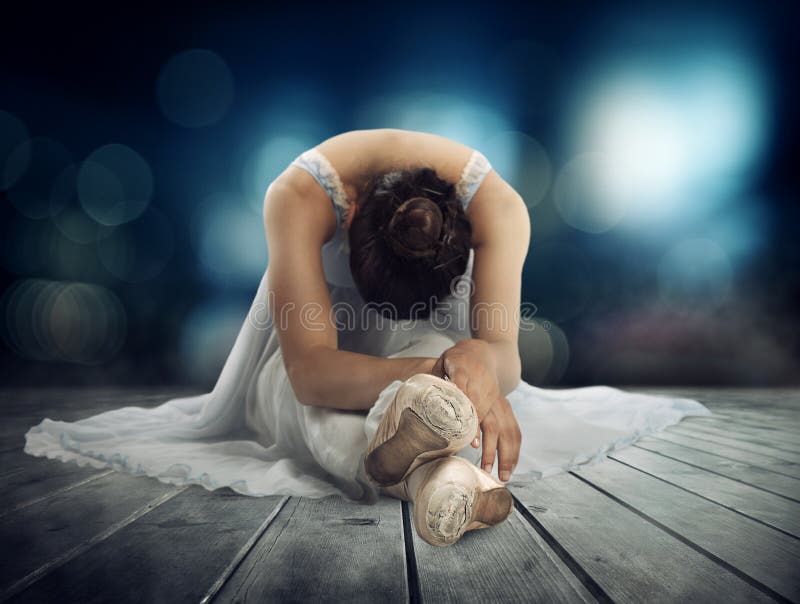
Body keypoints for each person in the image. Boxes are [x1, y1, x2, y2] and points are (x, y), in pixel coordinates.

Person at [25, 128, 710, 547]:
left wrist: (472, 355)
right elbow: (312, 372)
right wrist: (441, 370)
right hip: (316, 357)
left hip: (426, 346)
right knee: (290, 403)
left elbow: (501, 354)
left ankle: (422, 466)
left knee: (447, 396)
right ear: (350, 216)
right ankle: (447, 475)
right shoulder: (298, 197)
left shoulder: (498, 207)